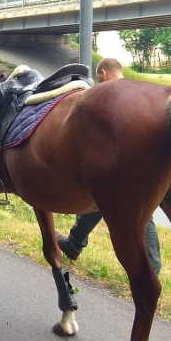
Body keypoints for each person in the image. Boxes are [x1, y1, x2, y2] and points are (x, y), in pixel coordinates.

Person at [57, 58, 162, 275]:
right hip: (137, 160)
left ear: (104, 73)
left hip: (122, 161)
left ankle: (152, 266)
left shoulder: (111, 95)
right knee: (100, 199)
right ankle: (74, 243)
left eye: (98, 77)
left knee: (135, 210)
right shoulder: (135, 91)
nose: (98, 81)